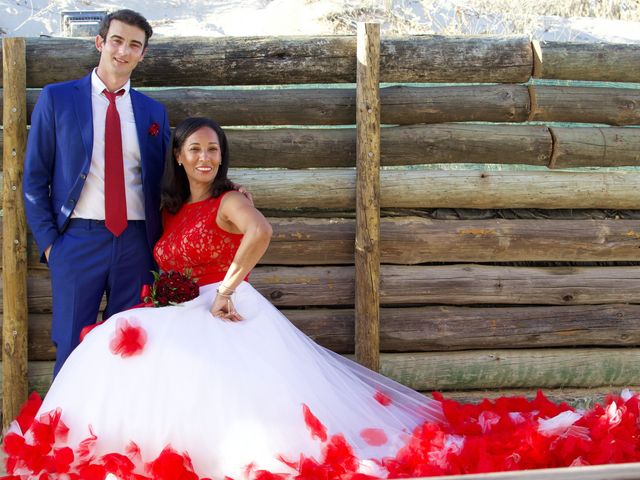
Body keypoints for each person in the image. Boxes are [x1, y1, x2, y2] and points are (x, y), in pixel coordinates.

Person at [6, 118, 640, 480]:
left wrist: (226, 291)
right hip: (178, 310)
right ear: (179, 156)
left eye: (213, 149)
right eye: (195, 148)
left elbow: (260, 235)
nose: (204, 156)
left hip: (222, 310)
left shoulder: (232, 199)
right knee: (112, 346)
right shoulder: (173, 210)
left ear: (222, 158)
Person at [23, 9, 170, 377]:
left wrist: (228, 191)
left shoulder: (153, 112)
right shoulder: (57, 99)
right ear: (100, 42)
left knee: (131, 348)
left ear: (143, 54)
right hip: (77, 242)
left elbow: (168, 181)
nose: (123, 51)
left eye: (134, 45)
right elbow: (35, 176)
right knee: (72, 347)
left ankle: (118, 435)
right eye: (117, 40)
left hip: (137, 244)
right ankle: (63, 435)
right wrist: (52, 245)